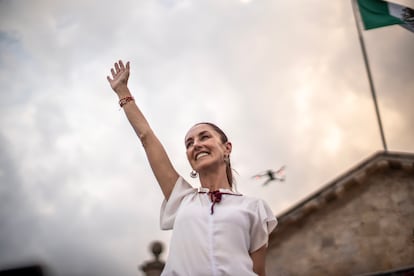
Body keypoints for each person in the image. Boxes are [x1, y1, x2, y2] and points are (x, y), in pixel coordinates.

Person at [107, 60, 277, 276]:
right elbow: (147, 138)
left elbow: (258, 272)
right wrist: (123, 91)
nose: (196, 144)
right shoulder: (182, 198)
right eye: (189, 143)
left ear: (227, 148)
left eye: (204, 137)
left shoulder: (255, 208)